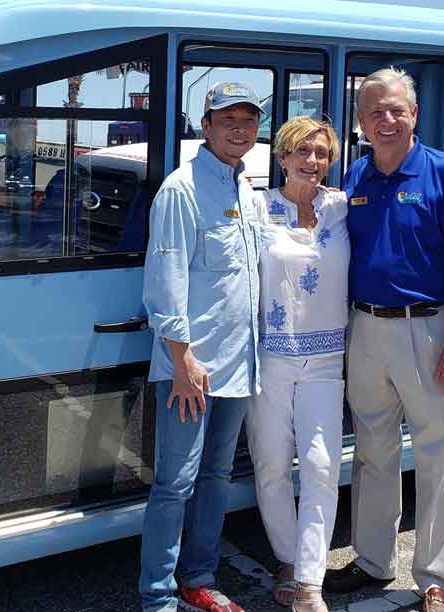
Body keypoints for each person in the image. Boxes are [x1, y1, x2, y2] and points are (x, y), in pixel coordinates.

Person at [325, 68, 444, 612]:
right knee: (372, 451)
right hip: (365, 329)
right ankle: (373, 561)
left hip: (429, 329)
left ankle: (438, 580)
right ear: (361, 122)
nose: (388, 120)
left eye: (397, 110)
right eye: (376, 112)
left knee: (438, 456)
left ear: (414, 115)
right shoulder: (353, 180)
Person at [139, 82, 263, 612]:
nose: (238, 129)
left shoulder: (249, 191)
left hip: (238, 363)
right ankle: (159, 597)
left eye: (247, 120)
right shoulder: (181, 189)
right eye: (226, 119)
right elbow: (164, 279)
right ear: (205, 127)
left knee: (216, 477)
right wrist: (181, 358)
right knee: (174, 484)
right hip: (190, 365)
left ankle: (199, 578)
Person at [245, 117, 349, 612]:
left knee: (321, 466)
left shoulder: (342, 208)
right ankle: (287, 557)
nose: (312, 161)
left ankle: (310, 582)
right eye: (302, 152)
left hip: (327, 360)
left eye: (321, 153)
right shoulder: (258, 208)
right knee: (270, 464)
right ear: (282, 157)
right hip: (270, 358)